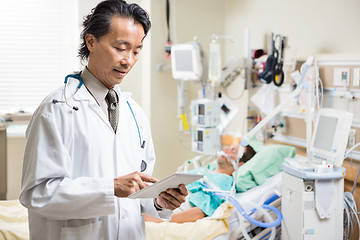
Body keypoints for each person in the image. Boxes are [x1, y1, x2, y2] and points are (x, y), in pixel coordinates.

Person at [19, 1, 187, 239]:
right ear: (91, 42)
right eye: (121, 48)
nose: (128, 60)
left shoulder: (134, 113)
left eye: (136, 51)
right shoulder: (56, 109)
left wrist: (160, 201)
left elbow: (138, 192)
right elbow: (37, 194)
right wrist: (109, 189)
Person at [145, 143, 256, 223]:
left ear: (240, 164)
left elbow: (199, 212)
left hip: (170, 209)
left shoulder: (225, 182)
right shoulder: (203, 171)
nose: (226, 150)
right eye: (230, 147)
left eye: (233, 151)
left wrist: (158, 221)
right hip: (156, 202)